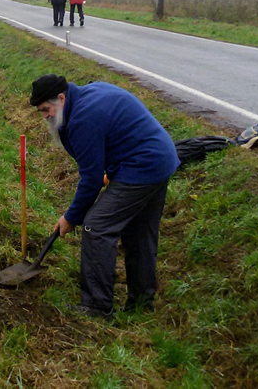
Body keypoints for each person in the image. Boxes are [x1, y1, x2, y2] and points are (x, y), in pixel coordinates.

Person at [30, 73, 179, 319]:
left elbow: (90, 180)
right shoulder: (85, 96)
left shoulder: (83, 118)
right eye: (41, 112)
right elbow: (113, 140)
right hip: (158, 158)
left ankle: (97, 307)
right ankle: (141, 303)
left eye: (46, 109)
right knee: (139, 233)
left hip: (142, 166)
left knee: (96, 227)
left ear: (61, 98)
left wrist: (71, 217)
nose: (45, 116)